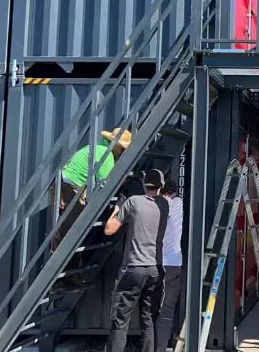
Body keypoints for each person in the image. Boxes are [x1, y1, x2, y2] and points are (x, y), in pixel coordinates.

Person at [49, 127, 133, 285]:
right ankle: (60, 273)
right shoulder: (106, 156)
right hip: (70, 189)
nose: (122, 152)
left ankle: (65, 273)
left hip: (65, 187)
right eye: (122, 149)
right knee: (73, 232)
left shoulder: (96, 148)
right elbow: (108, 182)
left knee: (69, 229)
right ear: (115, 144)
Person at [104, 169, 170, 352]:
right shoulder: (164, 205)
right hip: (155, 270)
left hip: (133, 269)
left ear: (144, 184)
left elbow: (109, 229)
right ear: (161, 186)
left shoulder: (133, 202)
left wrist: (118, 207)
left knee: (120, 321)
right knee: (148, 320)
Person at [155, 178, 184, 352]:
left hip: (155, 262)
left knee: (150, 309)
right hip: (173, 263)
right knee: (166, 310)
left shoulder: (154, 206)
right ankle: (161, 347)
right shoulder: (178, 203)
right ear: (173, 193)